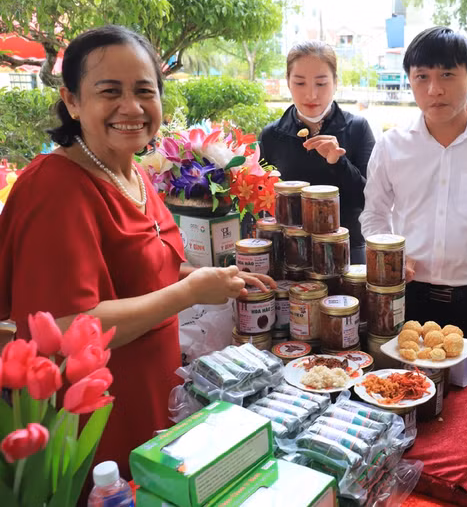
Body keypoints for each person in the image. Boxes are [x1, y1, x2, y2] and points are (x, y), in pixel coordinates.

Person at [0, 25, 274, 483]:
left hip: (150, 395)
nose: (132, 108)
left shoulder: (132, 172)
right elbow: (66, 329)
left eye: (145, 91)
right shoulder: (55, 188)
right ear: (71, 100)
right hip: (92, 419)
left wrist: (217, 280)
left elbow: (152, 269)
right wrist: (189, 292)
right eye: (110, 92)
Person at [360, 26, 467, 362]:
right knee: (404, 392)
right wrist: (392, 259)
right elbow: (374, 214)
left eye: (447, 75)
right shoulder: (391, 146)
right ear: (410, 81)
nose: (434, 89)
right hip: (408, 297)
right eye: (422, 76)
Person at [259, 41, 375, 263]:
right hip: (289, 253)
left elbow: (368, 198)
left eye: (321, 83)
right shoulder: (272, 135)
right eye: (300, 83)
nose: (311, 94)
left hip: (347, 250)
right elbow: (261, 200)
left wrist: (338, 162)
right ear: (288, 83)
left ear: (335, 83)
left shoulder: (357, 128)